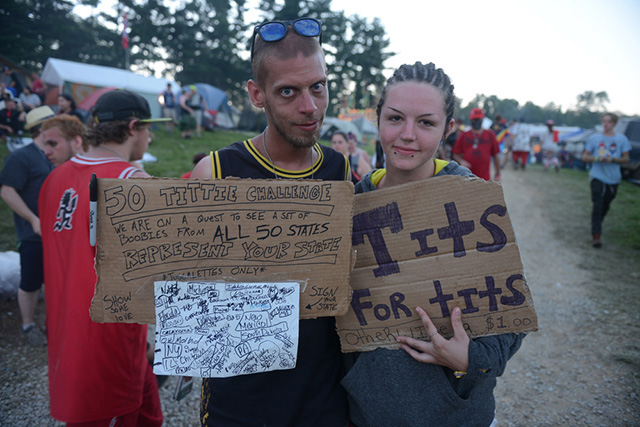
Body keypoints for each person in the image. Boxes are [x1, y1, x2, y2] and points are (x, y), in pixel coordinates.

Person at [341, 61, 525, 427]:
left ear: (447, 129)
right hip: (365, 414)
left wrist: (472, 359)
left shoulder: (472, 200)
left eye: (425, 122)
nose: (407, 135)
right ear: (378, 120)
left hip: (453, 415)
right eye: (395, 118)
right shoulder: (352, 203)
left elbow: (512, 314)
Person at [191, 17, 349, 426]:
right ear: (257, 95)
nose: (309, 107)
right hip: (241, 400)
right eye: (288, 92)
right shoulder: (216, 173)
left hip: (324, 396)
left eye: (318, 86)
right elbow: (188, 303)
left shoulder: (342, 172)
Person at [39, 89, 167, 425]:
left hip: (69, 334)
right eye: (148, 129)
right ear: (134, 127)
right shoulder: (133, 183)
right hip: (110, 342)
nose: (150, 137)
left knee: (148, 417)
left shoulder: (54, 178)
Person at [0, 106, 56, 346]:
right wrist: (33, 219)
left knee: (52, 279)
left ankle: (50, 324)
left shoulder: (55, 153)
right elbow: (7, 191)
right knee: (31, 280)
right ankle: (27, 325)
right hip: (33, 233)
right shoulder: (21, 156)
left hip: (56, 231)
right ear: (42, 128)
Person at [581, 112, 630, 248]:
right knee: (598, 203)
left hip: (614, 178)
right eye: (604, 121)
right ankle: (596, 234)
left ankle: (597, 223)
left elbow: (626, 159)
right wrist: (597, 158)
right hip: (597, 175)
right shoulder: (595, 138)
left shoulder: (622, 139)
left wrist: (613, 159)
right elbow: (584, 157)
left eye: (608, 121)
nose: (605, 124)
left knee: (606, 204)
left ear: (614, 124)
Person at [452, 108, 501, 181]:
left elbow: (496, 155)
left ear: (482, 120)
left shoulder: (490, 135)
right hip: (467, 177)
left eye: (478, 119)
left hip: (484, 179)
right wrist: (461, 161)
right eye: (474, 119)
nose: (476, 122)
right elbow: (455, 154)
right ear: (471, 120)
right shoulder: (464, 135)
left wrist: (497, 173)